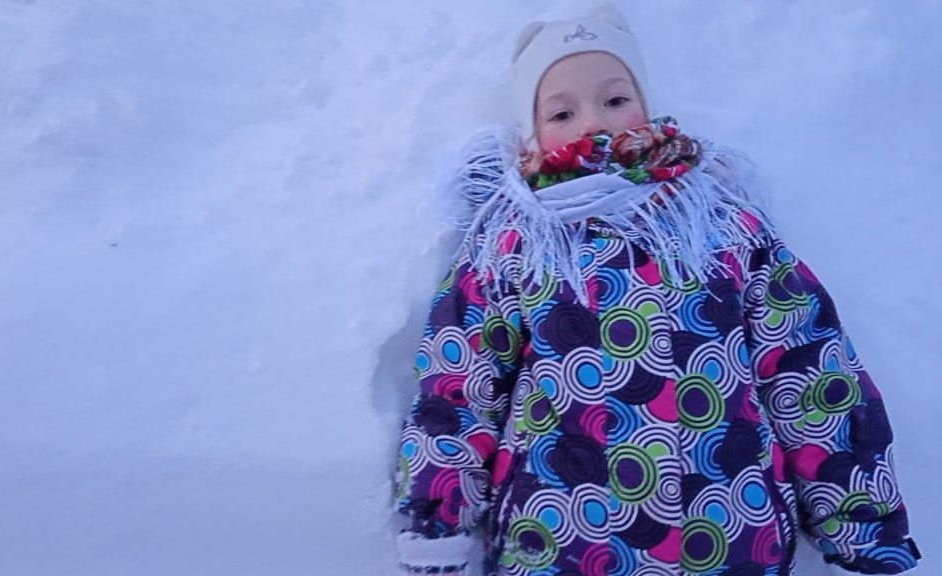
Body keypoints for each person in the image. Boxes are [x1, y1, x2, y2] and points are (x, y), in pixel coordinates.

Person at [393, 3, 920, 575]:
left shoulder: (720, 225)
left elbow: (808, 369)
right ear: (532, 131)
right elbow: (461, 384)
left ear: (646, 103)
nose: (593, 123)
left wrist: (860, 518)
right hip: (559, 542)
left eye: (615, 99)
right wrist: (437, 519)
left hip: (730, 535)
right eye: (563, 112)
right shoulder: (515, 241)